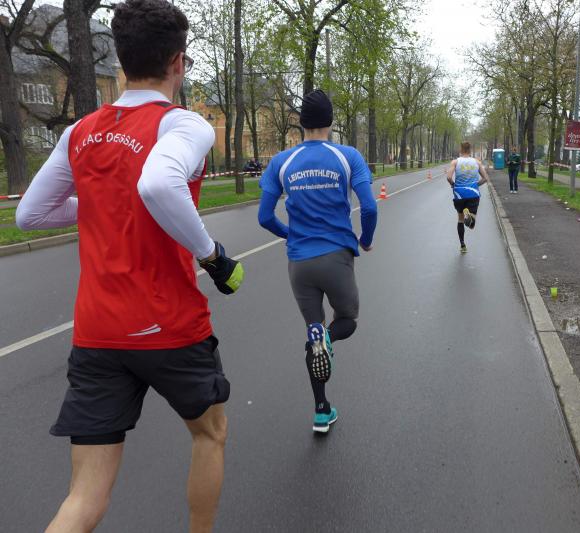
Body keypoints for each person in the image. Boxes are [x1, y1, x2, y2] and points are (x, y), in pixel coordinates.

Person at [15, 0, 243, 530]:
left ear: (121, 61)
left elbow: (30, 214)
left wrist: (104, 202)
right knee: (210, 434)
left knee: (84, 497)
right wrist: (212, 256)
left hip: (97, 332)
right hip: (169, 325)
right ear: (178, 62)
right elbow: (159, 184)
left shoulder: (79, 132)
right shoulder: (182, 124)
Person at [258, 89, 378, 434]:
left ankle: (321, 411)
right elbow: (369, 207)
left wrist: (290, 234)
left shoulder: (281, 161)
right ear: (330, 121)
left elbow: (264, 217)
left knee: (313, 334)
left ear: (300, 123)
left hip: (300, 263)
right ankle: (326, 337)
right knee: (347, 321)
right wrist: (365, 240)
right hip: (336, 257)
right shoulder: (347, 156)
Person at [446, 141, 489, 253]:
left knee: (460, 220)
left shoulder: (455, 162)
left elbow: (449, 177)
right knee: (471, 224)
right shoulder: (477, 162)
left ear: (461, 150)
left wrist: (453, 185)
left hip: (459, 194)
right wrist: (476, 185)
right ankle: (469, 216)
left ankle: (462, 245)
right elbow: (485, 178)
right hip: (473, 194)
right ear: (470, 150)